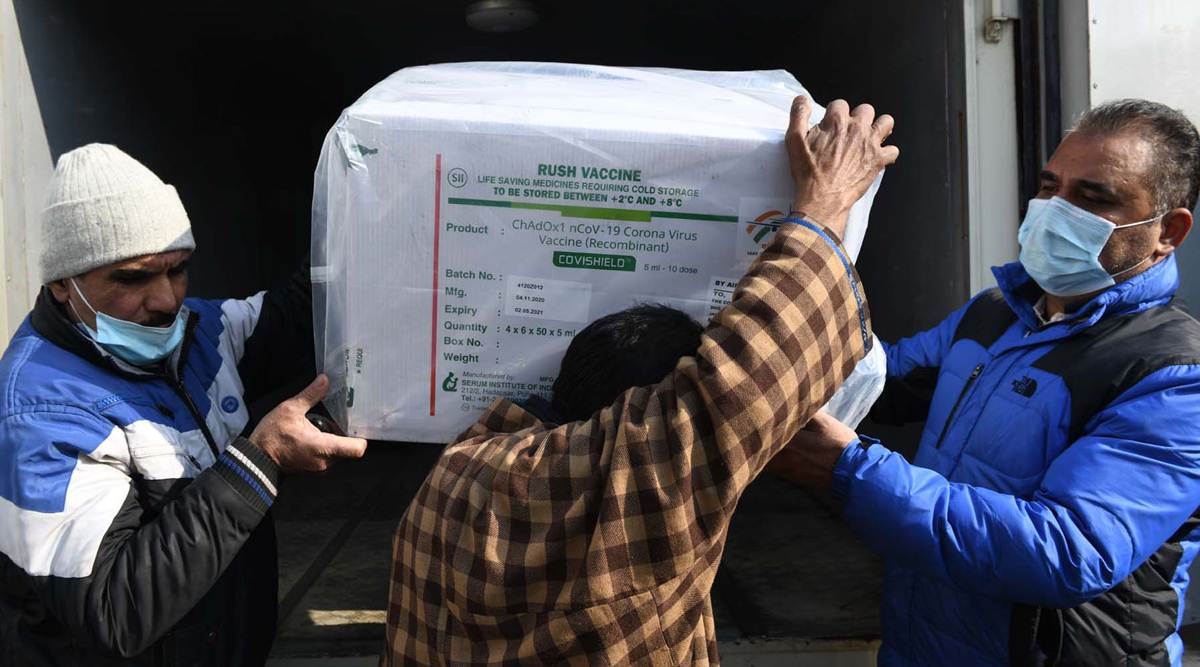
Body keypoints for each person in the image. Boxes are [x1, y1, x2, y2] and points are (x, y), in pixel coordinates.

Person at [382, 96, 896, 665]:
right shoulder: (647, 497)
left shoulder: (451, 476)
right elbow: (750, 373)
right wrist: (824, 200)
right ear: (650, 416)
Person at [769, 99, 1200, 666]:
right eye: (1050, 186)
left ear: (1167, 231)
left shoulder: (1170, 376)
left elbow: (1068, 552)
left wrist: (849, 469)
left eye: (1093, 198)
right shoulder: (996, 314)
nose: (1054, 209)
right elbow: (873, 380)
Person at [0, 144, 368, 666]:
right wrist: (259, 462)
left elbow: (298, 314)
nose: (167, 300)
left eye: (177, 269)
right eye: (133, 277)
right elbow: (113, 609)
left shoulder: (196, 333)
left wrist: (373, 217)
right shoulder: (39, 414)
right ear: (63, 283)